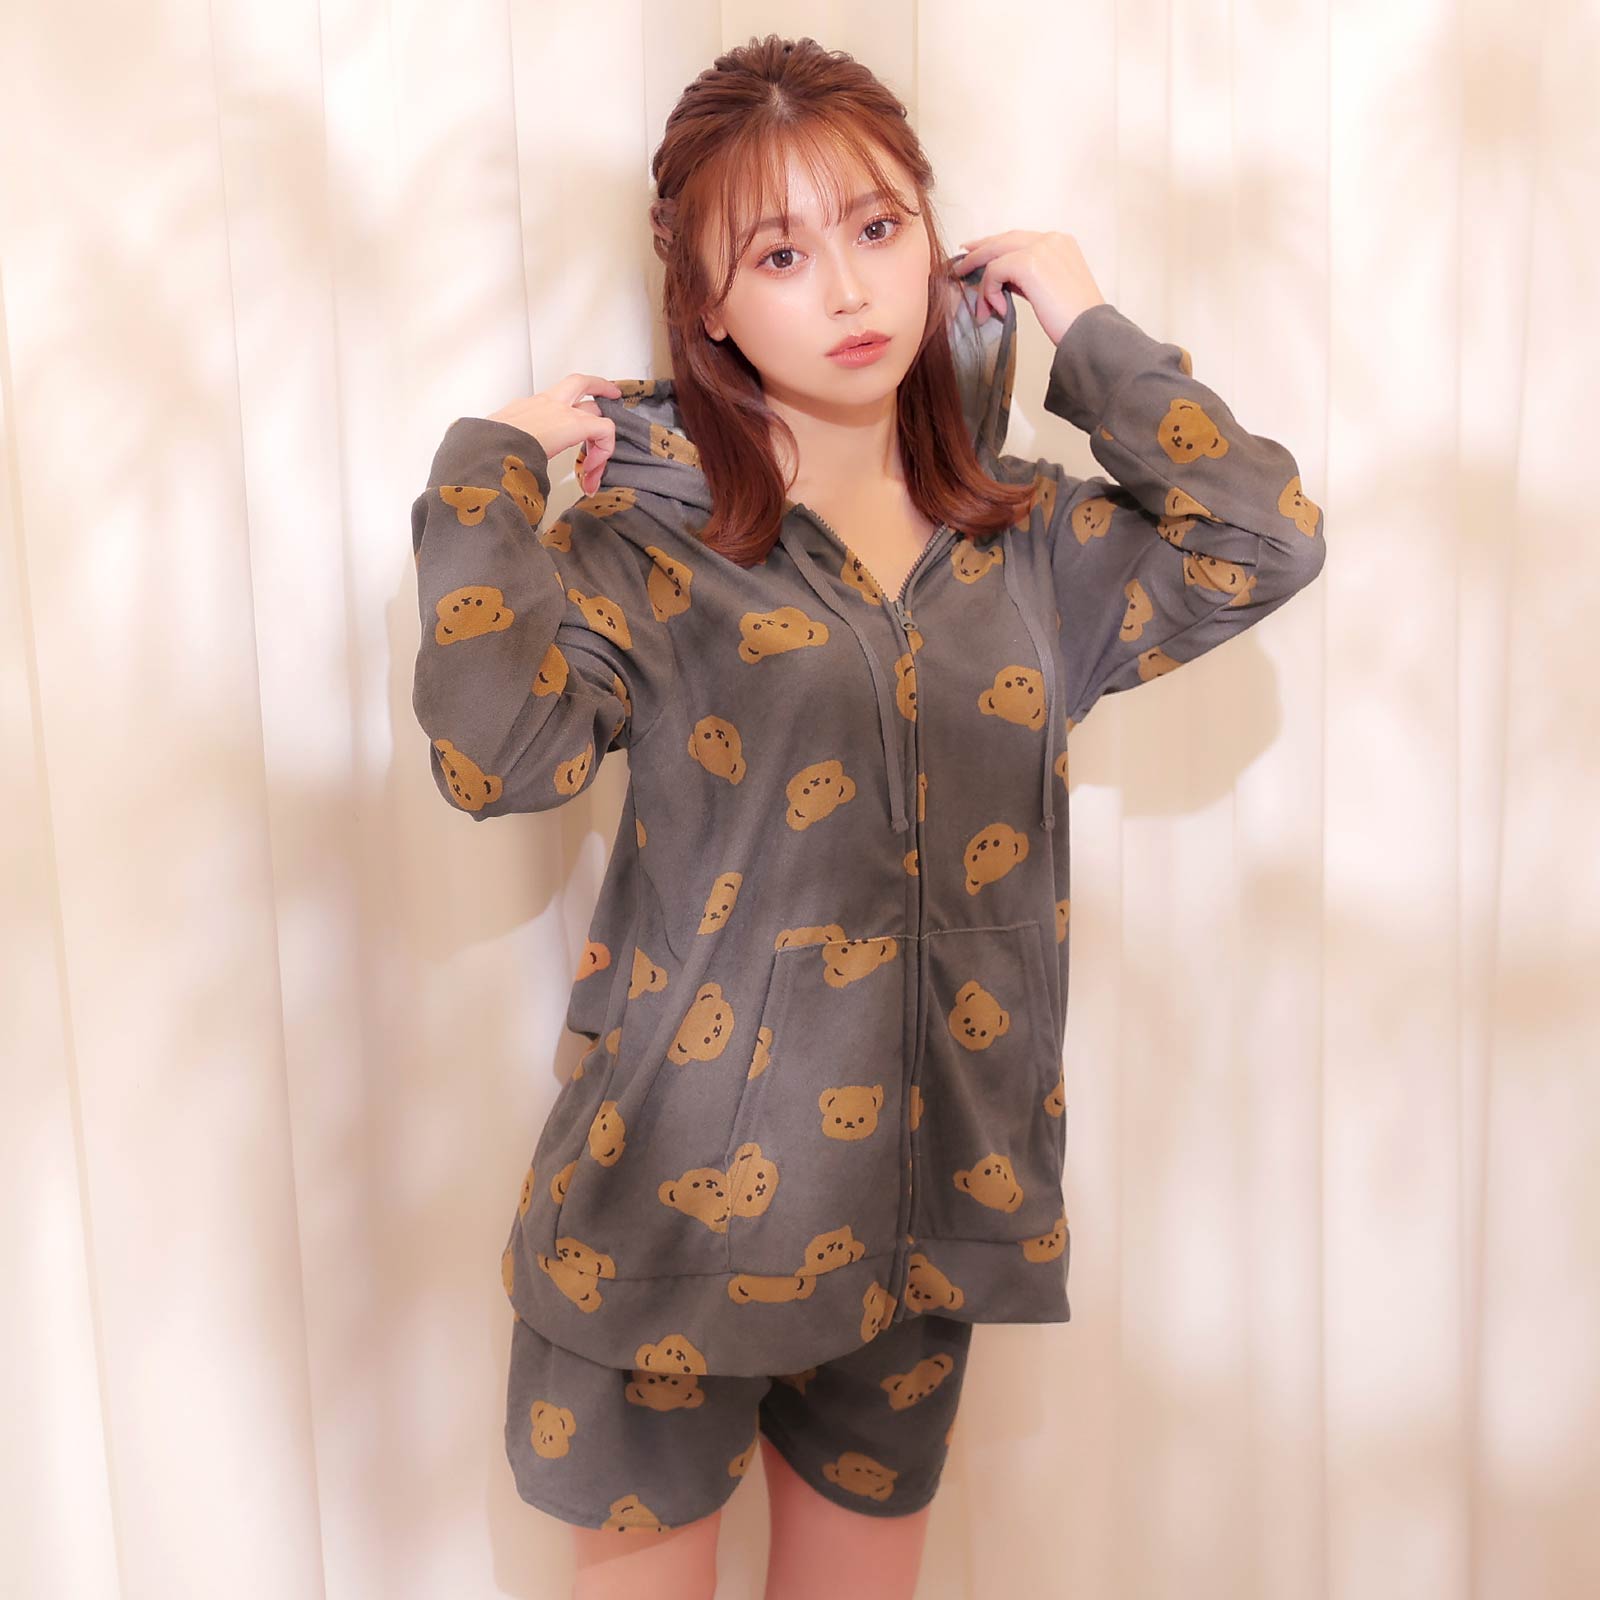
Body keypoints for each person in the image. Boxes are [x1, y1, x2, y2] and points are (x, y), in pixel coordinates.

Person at [409, 32, 1327, 1600]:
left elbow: (1264, 539)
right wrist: (486, 478)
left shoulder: (1032, 549)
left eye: (878, 227)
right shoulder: (645, 551)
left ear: (934, 239)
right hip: (660, 1234)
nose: (847, 289)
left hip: (921, 1220)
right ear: (709, 306)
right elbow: (494, 759)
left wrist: (1088, 322)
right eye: (779, 254)